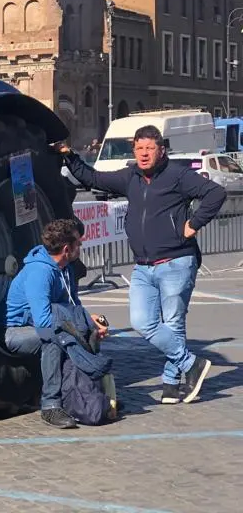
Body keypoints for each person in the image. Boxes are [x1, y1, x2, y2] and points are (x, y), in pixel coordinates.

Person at [56, 125, 227, 405]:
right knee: (142, 322)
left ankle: (171, 384)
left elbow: (215, 193)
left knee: (173, 323)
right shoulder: (130, 176)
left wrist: (193, 224)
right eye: (139, 148)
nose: (144, 154)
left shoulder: (178, 175)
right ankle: (191, 364)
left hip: (176, 261)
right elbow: (93, 177)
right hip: (143, 267)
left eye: (149, 148)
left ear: (161, 151)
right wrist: (69, 155)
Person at [3, 218, 110, 428]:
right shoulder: (40, 273)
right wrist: (77, 329)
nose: (81, 245)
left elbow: (74, 307)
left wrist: (90, 324)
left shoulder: (67, 268)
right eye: (78, 243)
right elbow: (44, 322)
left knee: (86, 333)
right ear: (67, 249)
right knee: (55, 338)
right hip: (14, 330)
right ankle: (50, 406)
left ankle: (92, 398)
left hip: (45, 323)